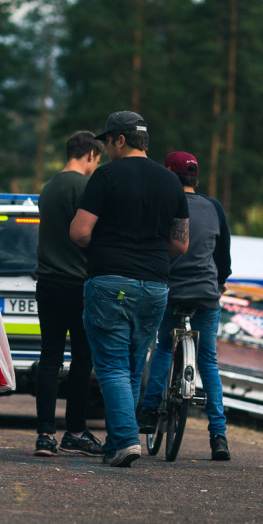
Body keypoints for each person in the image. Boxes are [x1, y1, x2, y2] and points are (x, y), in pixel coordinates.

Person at [69, 111, 189, 468]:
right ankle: (117, 442)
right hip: (155, 285)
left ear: (120, 139)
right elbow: (180, 244)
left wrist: (110, 242)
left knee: (111, 366)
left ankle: (124, 440)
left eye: (108, 142)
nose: (106, 149)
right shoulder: (171, 183)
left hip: (110, 281)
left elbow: (79, 232)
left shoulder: (106, 176)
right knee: (133, 367)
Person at [136, 152, 233, 461]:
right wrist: (220, 283)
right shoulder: (214, 208)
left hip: (170, 291)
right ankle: (219, 436)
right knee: (209, 361)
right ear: (196, 178)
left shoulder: (163, 204)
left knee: (164, 347)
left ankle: (150, 412)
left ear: (167, 173)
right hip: (206, 294)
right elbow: (224, 257)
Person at [33, 131, 105, 457]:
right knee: (81, 360)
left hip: (47, 282)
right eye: (97, 158)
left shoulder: (48, 188)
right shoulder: (85, 187)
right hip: (79, 283)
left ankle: (45, 434)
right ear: (90, 153)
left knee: (49, 358)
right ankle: (75, 431)